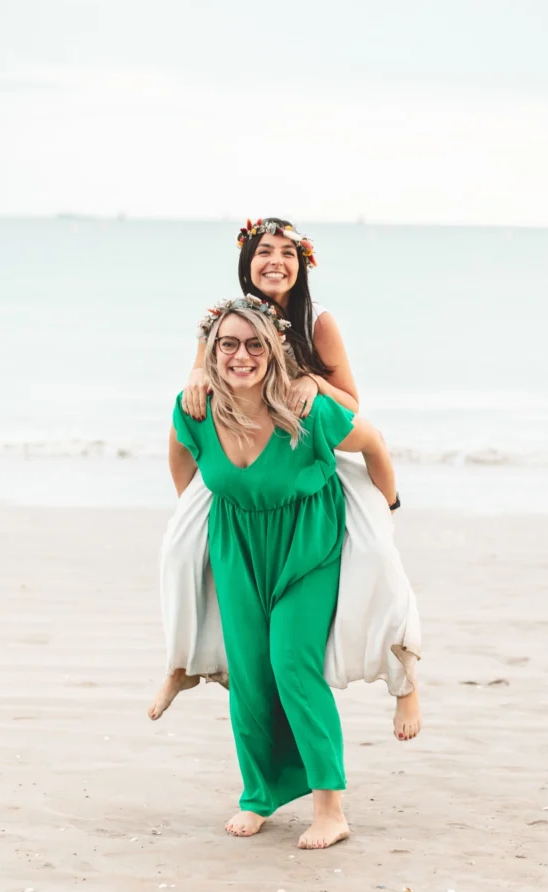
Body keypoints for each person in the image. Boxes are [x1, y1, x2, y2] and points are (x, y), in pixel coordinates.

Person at [150, 219, 422, 741]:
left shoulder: (318, 322)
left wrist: (310, 381)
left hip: (309, 450)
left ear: (302, 265)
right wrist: (198, 375)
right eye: (263, 252)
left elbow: (352, 406)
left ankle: (404, 675)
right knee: (180, 554)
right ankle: (184, 662)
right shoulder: (221, 322)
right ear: (245, 262)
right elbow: (199, 381)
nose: (275, 261)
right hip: (237, 456)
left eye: (288, 254)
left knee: (378, 560)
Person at [167, 296, 404, 848]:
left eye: (254, 344)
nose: (240, 355)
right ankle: (259, 795)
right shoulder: (195, 409)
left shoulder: (310, 411)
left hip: (308, 549)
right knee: (248, 673)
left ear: (274, 353)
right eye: (228, 344)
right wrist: (192, 520)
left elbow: (371, 441)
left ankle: (330, 806)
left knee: (292, 665)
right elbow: (181, 455)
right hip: (238, 551)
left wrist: (387, 513)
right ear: (212, 352)